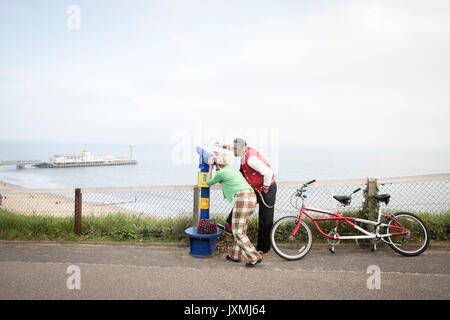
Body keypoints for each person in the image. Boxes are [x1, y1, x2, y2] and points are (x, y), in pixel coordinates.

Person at [215, 138, 277, 255]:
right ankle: (229, 226)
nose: (232, 150)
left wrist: (265, 188)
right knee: (241, 202)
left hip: (266, 188)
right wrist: (222, 145)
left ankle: (264, 248)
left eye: (234, 149)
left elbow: (268, 172)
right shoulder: (243, 151)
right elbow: (232, 147)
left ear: (239, 149)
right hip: (256, 187)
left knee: (265, 219)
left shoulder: (251, 160)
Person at [205, 151, 262, 267]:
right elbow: (221, 173)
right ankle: (235, 256)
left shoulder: (222, 172)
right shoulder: (231, 169)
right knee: (240, 229)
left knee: (237, 232)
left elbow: (208, 181)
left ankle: (254, 257)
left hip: (242, 199)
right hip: (252, 197)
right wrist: (216, 165)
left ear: (220, 162)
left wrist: (210, 166)